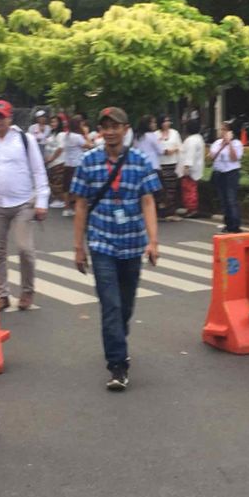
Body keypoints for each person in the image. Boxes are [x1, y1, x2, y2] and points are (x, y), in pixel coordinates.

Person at [69, 107, 161, 391]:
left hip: (132, 243)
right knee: (110, 304)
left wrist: (153, 241)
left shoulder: (140, 161)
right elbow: (81, 205)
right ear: (100, 131)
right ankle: (118, 365)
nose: (110, 131)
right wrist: (79, 247)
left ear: (125, 129)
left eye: (115, 126)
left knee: (125, 305)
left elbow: (147, 201)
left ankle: (118, 339)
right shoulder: (88, 161)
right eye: (105, 126)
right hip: (102, 243)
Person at [0, 99, 49, 311]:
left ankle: (27, 291)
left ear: (10, 117)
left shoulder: (25, 139)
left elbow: (38, 171)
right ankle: (3, 294)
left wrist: (42, 201)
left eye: (2, 116)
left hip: (23, 202)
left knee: (24, 249)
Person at [209, 120, 243, 233]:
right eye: (222, 129)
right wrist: (222, 145)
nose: (222, 132)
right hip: (220, 173)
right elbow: (212, 157)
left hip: (231, 173)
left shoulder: (237, 143)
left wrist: (229, 144)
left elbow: (234, 158)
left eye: (225, 129)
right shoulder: (217, 143)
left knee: (231, 199)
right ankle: (228, 224)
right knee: (223, 199)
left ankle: (235, 225)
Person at [177, 118, 206, 218]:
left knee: (189, 190)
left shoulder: (191, 140)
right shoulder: (199, 138)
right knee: (191, 189)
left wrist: (186, 167)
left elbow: (190, 154)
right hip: (196, 168)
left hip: (190, 170)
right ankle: (191, 208)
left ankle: (192, 209)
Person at [60, 116, 88, 217]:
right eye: (81, 123)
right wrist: (86, 133)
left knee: (66, 187)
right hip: (77, 164)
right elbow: (89, 145)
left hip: (67, 163)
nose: (83, 125)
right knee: (77, 187)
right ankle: (76, 208)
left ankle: (66, 208)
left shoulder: (67, 135)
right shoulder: (77, 137)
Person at [157, 116, 183, 218]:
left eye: (168, 121)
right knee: (162, 188)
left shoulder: (174, 133)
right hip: (161, 164)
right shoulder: (156, 134)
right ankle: (163, 210)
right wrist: (164, 151)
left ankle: (171, 210)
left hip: (172, 163)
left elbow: (180, 146)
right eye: (165, 121)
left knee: (172, 187)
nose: (167, 123)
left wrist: (174, 150)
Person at [43, 115, 68, 209]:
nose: (53, 124)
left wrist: (51, 158)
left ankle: (62, 201)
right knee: (53, 181)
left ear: (60, 123)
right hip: (51, 162)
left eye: (55, 122)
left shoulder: (61, 134)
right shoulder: (53, 134)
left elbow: (60, 148)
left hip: (58, 161)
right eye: (52, 122)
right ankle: (58, 199)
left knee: (58, 183)